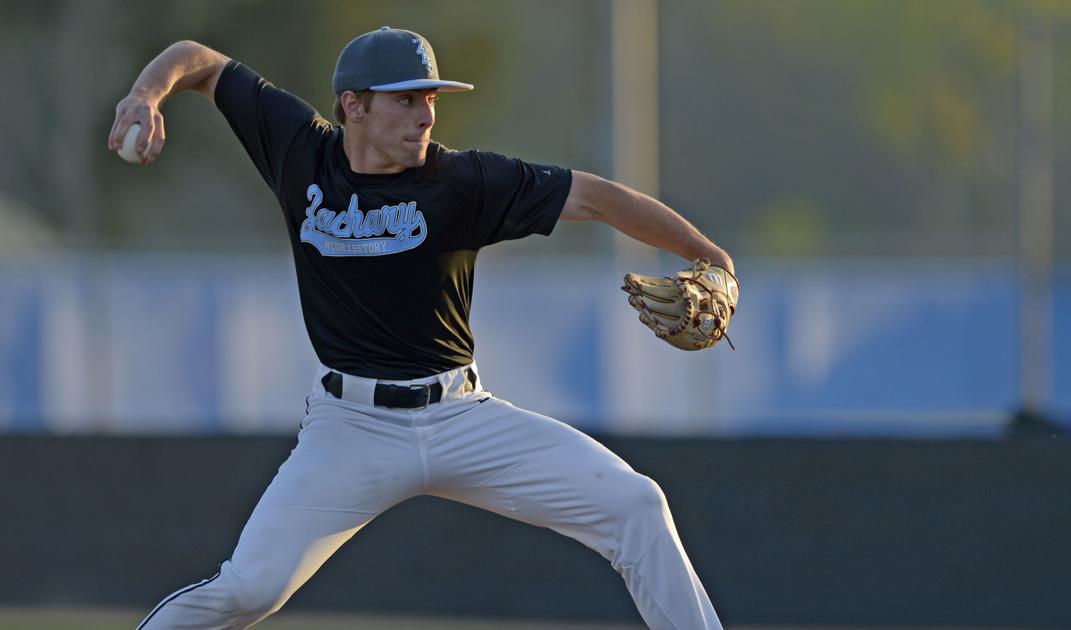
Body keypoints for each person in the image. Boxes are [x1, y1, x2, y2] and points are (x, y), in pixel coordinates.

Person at [109, 27, 733, 630]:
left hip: (462, 417)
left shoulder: (462, 182)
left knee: (637, 505)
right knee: (249, 587)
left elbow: (595, 197)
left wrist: (710, 255)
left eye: (430, 99)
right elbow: (200, 61)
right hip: (351, 426)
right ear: (354, 105)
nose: (426, 116)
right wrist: (147, 93)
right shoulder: (300, 149)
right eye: (406, 99)